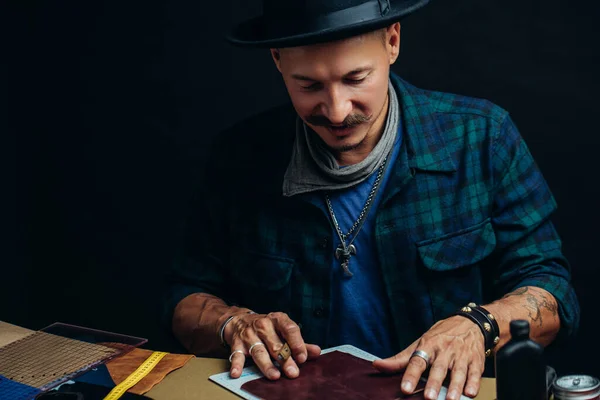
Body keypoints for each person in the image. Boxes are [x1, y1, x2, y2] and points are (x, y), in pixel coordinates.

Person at [162, 0, 580, 399]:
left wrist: (478, 326)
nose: (338, 111)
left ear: (392, 42)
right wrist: (232, 324)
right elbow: (185, 296)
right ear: (277, 59)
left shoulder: (483, 137)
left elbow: (552, 290)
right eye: (308, 85)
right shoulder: (239, 158)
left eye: (355, 79)